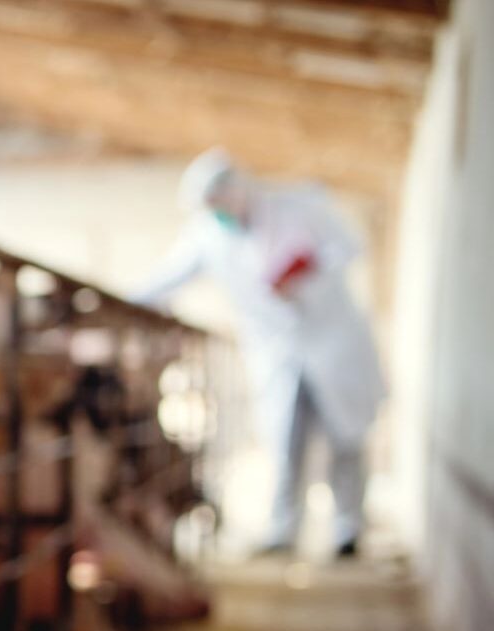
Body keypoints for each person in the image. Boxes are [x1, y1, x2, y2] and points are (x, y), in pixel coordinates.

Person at [132, 149, 385, 558]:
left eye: (220, 201)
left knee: (344, 437)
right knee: (284, 440)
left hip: (331, 340)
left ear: (238, 187)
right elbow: (168, 277)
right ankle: (283, 531)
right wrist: (119, 302)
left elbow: (348, 246)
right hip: (276, 350)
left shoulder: (300, 205)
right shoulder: (208, 235)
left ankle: (347, 531)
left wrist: (302, 273)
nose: (218, 212)